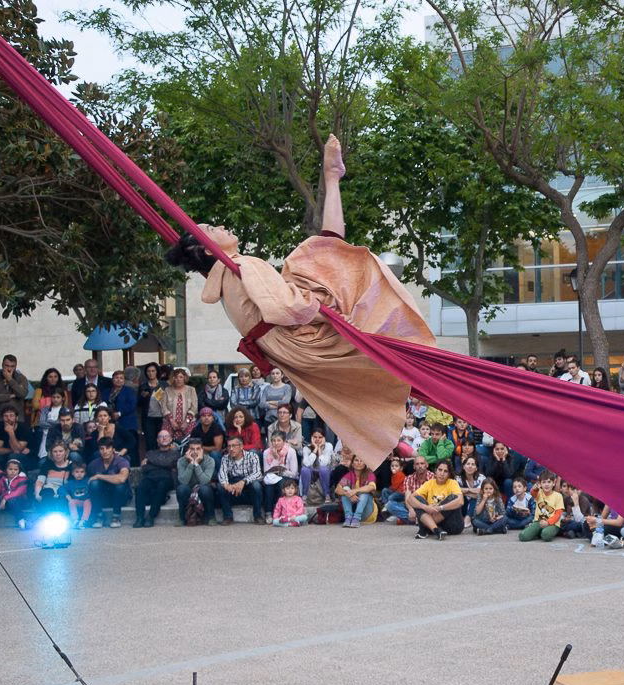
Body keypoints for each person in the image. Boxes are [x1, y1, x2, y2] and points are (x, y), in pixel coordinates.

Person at [169, 134, 435, 470]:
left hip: (292, 347)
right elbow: (285, 308)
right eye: (212, 228)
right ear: (210, 249)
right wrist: (333, 318)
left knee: (318, 255)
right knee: (333, 269)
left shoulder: (225, 279)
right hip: (303, 337)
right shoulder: (241, 266)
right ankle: (331, 179)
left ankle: (332, 179)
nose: (221, 225)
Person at [132, 430, 181, 528]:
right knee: (140, 487)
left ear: (171, 439)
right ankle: (140, 517)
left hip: (167, 478)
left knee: (161, 486)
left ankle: (151, 516)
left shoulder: (175, 453)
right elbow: (145, 468)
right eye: (161, 436)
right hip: (151, 477)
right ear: (157, 440)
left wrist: (152, 463)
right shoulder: (150, 453)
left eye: (166, 436)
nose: (164, 438)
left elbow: (168, 463)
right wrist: (164, 464)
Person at [407, 461, 465, 539]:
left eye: (445, 471)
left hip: (452, 525)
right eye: (440, 470)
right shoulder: (429, 483)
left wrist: (440, 507)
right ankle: (436, 530)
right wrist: (426, 507)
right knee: (417, 499)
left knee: (453, 498)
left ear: (449, 474)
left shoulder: (452, 483)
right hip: (436, 523)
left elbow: (460, 501)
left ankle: (425, 527)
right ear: (435, 471)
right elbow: (410, 499)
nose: (442, 473)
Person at [216, 435, 265, 524]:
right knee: (220, 486)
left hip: (247, 485)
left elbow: (258, 474)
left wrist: (243, 481)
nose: (231, 449)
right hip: (233, 487)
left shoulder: (252, 456)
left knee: (256, 485)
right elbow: (222, 474)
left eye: (234, 446)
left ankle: (257, 516)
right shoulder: (225, 458)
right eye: (229, 446)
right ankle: (228, 516)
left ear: (241, 446)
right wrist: (226, 485)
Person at [87, 437, 131, 528]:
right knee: (94, 483)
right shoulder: (93, 464)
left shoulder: (122, 461)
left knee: (120, 485)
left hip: (120, 497)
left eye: (108, 448)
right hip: (103, 497)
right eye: (102, 449)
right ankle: (99, 516)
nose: (105, 451)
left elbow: (122, 478)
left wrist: (100, 476)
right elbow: (89, 482)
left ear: (113, 449)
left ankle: (116, 516)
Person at [176, 439, 217, 526]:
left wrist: (197, 464)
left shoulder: (210, 460)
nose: (195, 451)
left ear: (202, 450)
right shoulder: (181, 461)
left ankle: (211, 517)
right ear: (188, 450)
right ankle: (182, 518)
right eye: (192, 449)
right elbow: (183, 481)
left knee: (205, 489)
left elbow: (205, 481)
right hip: (188, 488)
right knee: (181, 488)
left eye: (198, 449)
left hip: (203, 488)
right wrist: (191, 463)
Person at [262, 432, 299, 522]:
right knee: (269, 486)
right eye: (273, 441)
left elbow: (294, 473)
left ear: (284, 441)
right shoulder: (267, 452)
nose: (276, 443)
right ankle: (268, 512)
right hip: (272, 477)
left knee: (282, 483)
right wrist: (275, 457)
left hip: (288, 476)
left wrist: (281, 471)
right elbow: (267, 471)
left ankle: (282, 511)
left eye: (279, 440)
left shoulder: (291, 451)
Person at [519, 472, 565, 542]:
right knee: (523, 536)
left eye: (549, 482)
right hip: (538, 522)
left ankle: (543, 532)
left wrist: (548, 522)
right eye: (544, 482)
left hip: (552, 524)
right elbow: (533, 493)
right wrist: (535, 489)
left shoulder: (558, 496)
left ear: (554, 483)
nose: (546, 484)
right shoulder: (539, 492)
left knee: (546, 535)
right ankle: (538, 532)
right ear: (540, 484)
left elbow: (558, 514)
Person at [160, 367, 199, 441]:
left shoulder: (191, 390)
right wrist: (171, 421)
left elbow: (194, 407)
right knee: (167, 443)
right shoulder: (167, 390)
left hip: (188, 423)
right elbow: (164, 407)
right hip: (169, 423)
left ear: (185, 378)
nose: (178, 379)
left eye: (181, 377)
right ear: (173, 378)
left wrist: (186, 422)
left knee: (188, 445)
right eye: (176, 377)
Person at [301, 428, 335, 501]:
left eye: (320, 437)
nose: (317, 439)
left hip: (327, 472)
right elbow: (307, 464)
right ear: (311, 438)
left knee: (323, 469)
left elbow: (324, 464)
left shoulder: (328, 446)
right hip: (312, 471)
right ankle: (304, 495)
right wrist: (315, 449)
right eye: (315, 437)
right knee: (304, 469)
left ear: (324, 438)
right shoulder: (306, 448)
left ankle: (327, 495)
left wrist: (319, 450)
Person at [0, 457, 31, 528]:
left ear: (19, 471)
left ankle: (21, 520)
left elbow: (18, 492)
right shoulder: (2, 479)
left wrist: (5, 499)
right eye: (10, 469)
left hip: (20, 501)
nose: (13, 471)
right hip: (5, 502)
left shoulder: (23, 479)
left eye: (15, 469)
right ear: (6, 470)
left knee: (12, 500)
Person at [63, 461, 93, 529]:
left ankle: (84, 521)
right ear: (73, 473)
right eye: (77, 472)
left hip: (86, 501)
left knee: (88, 501)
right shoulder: (71, 483)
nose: (79, 474)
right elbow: (61, 489)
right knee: (71, 502)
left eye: (82, 472)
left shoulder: (87, 481)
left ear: (85, 473)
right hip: (77, 501)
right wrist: (68, 497)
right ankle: (75, 520)